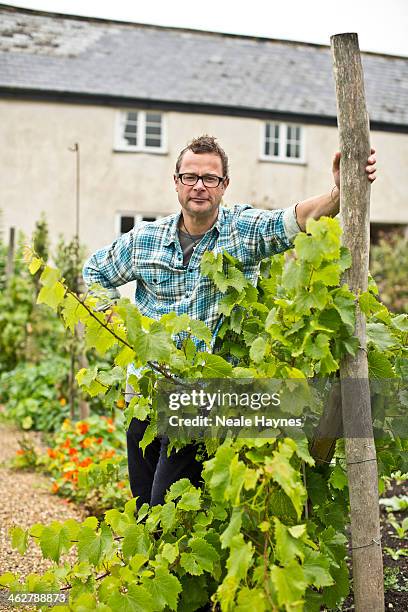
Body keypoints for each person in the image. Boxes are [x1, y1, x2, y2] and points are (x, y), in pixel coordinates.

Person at [83, 135, 377, 509]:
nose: (199, 186)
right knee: (144, 508)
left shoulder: (243, 231)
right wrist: (119, 325)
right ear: (176, 181)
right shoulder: (145, 239)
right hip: (144, 394)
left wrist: (338, 192)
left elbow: (294, 219)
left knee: (164, 505)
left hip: (203, 400)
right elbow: (94, 271)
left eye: (210, 178)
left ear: (225, 186)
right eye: (190, 177)